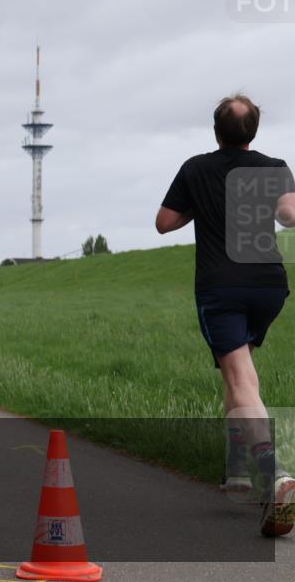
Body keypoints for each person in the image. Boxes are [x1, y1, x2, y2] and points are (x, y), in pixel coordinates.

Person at [156, 94, 295, 537]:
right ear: (254, 131)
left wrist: (202, 203)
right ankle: (236, 471)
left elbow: (164, 222)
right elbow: (290, 215)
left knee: (240, 380)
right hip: (269, 285)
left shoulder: (196, 168)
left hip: (222, 286)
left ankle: (275, 476)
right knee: (239, 372)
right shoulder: (275, 167)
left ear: (216, 131)